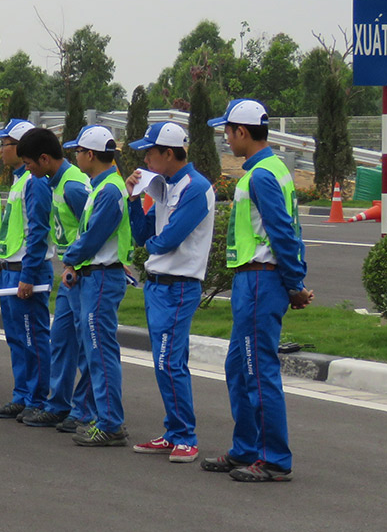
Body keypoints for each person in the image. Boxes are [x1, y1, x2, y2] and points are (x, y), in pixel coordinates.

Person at [202, 99, 312, 482]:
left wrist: (294, 283)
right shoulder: (267, 170)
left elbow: (283, 232)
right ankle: (247, 447)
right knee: (239, 365)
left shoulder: (263, 174)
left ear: (242, 132)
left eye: (227, 132)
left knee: (256, 368)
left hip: (261, 279)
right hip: (252, 278)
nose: (226, 139)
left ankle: (274, 458)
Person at [125, 122, 214, 464]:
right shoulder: (162, 185)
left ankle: (186, 436)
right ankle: (174, 432)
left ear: (168, 152)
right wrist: (135, 198)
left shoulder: (196, 187)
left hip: (179, 286)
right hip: (158, 285)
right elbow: (143, 233)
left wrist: (150, 247)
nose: (145, 157)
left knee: (168, 362)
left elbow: (168, 239)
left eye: (150, 151)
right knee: (165, 363)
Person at [58, 125, 132, 447]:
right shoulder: (99, 186)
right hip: (95, 275)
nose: (75, 156)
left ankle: (110, 423)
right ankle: (103, 418)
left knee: (101, 352)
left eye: (78, 151)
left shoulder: (110, 190)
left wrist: (71, 258)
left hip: (103, 276)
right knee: (95, 350)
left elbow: (92, 237)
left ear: (90, 155)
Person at [14, 128, 92, 432]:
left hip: (84, 275)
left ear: (44, 158)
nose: (28, 170)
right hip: (70, 273)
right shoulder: (54, 181)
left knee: (85, 348)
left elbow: (93, 229)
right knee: (61, 340)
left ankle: (83, 411)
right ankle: (58, 404)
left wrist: (75, 262)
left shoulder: (72, 186)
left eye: (30, 164)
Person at [0, 119, 53, 422]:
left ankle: (37, 398)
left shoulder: (35, 180)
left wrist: (28, 274)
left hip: (28, 270)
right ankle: (22, 395)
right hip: (11, 268)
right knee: (16, 337)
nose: (1, 150)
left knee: (33, 338)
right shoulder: (18, 179)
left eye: (5, 144)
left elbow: (38, 230)